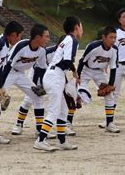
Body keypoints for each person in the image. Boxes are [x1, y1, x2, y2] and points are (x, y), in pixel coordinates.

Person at [34, 16, 83, 151]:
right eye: (81, 26)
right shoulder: (72, 40)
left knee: (63, 109)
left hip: (56, 75)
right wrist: (75, 72)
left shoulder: (67, 39)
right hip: (55, 76)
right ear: (76, 27)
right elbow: (67, 61)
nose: (81, 29)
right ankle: (40, 140)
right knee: (54, 110)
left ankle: (62, 141)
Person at [1, 24, 50, 136]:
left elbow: (42, 69)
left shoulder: (42, 50)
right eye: (46, 36)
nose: (48, 39)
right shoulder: (21, 46)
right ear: (38, 37)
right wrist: (1, 87)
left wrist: (41, 85)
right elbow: (8, 65)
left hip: (22, 75)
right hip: (8, 72)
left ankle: (39, 130)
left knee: (38, 97)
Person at [74, 26, 119, 133]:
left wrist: (110, 85)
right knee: (77, 93)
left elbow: (113, 67)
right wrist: (78, 77)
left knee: (110, 95)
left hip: (100, 72)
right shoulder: (93, 46)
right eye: (111, 37)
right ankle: (68, 123)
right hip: (86, 70)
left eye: (115, 38)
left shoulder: (115, 49)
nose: (113, 40)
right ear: (103, 37)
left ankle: (109, 123)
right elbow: (82, 61)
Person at [0, 21, 23, 144]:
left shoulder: (5, 44)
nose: (19, 39)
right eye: (19, 36)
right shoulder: (0, 42)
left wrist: (0, 88)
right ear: (13, 34)